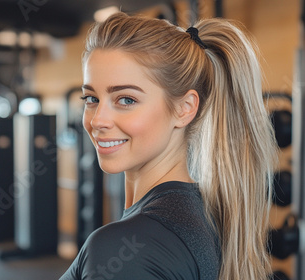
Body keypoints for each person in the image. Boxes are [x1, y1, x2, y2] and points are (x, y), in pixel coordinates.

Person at [60, 12, 278, 280]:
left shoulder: (123, 247)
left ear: (184, 109)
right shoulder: (204, 216)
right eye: (91, 98)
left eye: (126, 100)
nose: (98, 120)